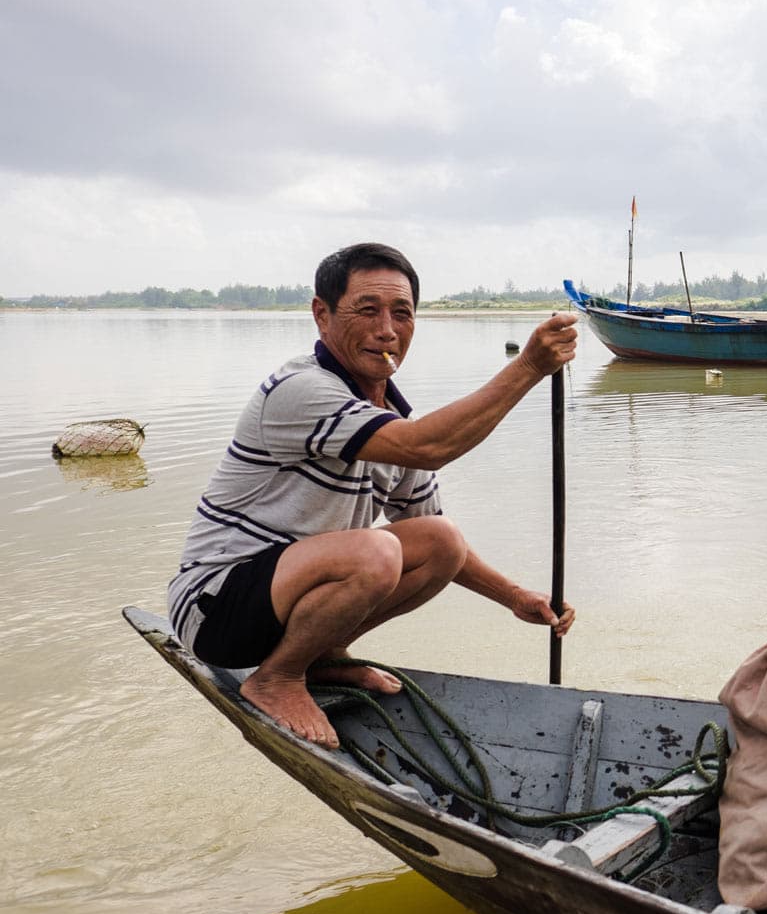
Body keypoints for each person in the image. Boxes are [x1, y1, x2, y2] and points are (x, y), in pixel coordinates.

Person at [167, 242, 578, 748]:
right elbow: (430, 446)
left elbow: (438, 538)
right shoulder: (300, 390)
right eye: (367, 311)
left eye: (401, 314)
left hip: (288, 598)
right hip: (216, 608)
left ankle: (321, 657)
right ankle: (277, 677)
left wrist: (514, 596)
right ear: (322, 315)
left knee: (440, 540)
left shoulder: (388, 420)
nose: (387, 330)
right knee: (376, 551)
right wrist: (529, 368)